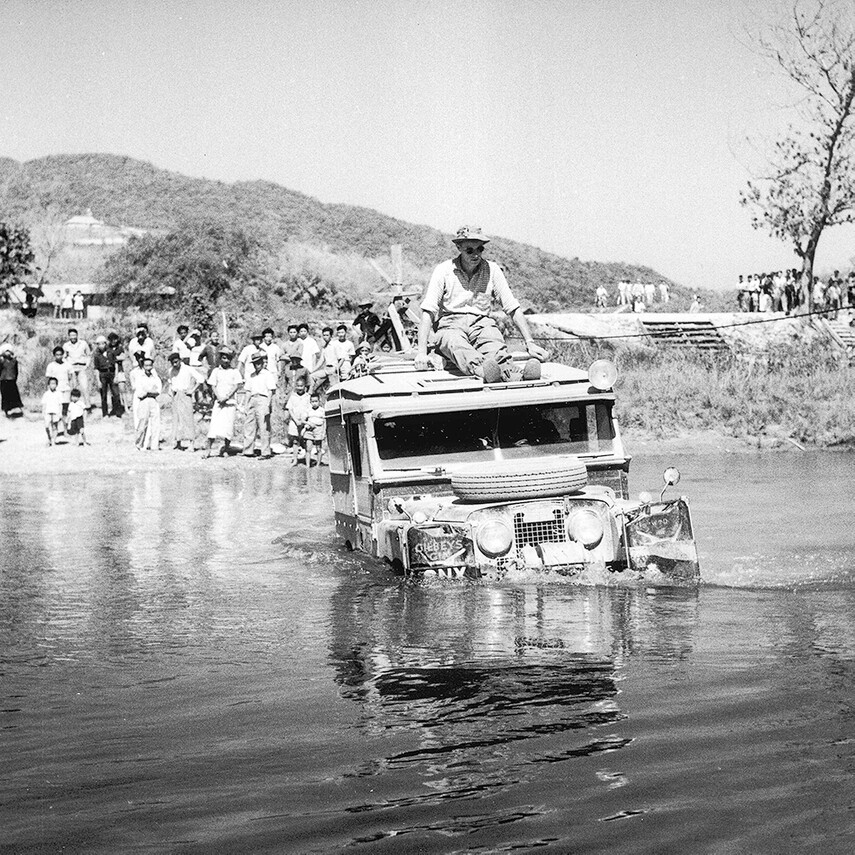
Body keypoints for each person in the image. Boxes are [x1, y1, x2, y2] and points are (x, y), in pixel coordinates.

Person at [414, 226, 547, 383]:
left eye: (480, 249)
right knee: (456, 343)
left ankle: (516, 374)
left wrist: (530, 343)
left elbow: (512, 307)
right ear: (459, 248)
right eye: (469, 250)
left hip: (482, 323)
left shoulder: (492, 270)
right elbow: (428, 311)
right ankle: (483, 370)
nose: (476, 254)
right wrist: (421, 352)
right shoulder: (443, 270)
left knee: (494, 344)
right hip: (450, 324)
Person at [204, 348, 243, 458]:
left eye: (228, 359)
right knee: (214, 427)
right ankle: (208, 450)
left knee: (228, 427)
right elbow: (212, 385)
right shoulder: (216, 371)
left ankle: (226, 449)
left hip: (230, 402)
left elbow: (237, 385)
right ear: (220, 359)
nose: (226, 361)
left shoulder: (234, 371)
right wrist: (219, 397)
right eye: (224, 358)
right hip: (219, 402)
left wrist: (227, 397)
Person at [242, 351, 277, 458]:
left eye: (258, 362)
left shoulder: (267, 374)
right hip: (252, 399)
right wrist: (245, 405)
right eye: (254, 363)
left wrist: (268, 405)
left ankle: (265, 452)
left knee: (264, 427)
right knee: (249, 425)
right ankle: (248, 451)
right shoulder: (251, 375)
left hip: (263, 400)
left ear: (262, 362)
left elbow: (271, 391)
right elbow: (248, 391)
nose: (256, 365)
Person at [167, 352, 203, 450]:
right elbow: (170, 382)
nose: (174, 365)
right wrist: (170, 391)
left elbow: (201, 379)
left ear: (180, 360)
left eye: (176, 362)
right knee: (177, 419)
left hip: (185, 394)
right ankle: (178, 442)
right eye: (172, 363)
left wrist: (192, 390)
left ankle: (191, 443)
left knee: (188, 419)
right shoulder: (171, 371)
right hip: (175, 395)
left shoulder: (188, 369)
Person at [133, 357, 162, 450]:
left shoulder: (155, 377)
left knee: (155, 423)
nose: (148, 368)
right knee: (142, 423)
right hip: (144, 401)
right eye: (146, 366)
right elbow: (140, 393)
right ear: (143, 366)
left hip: (153, 400)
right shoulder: (140, 378)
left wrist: (149, 392)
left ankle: (154, 445)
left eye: (150, 365)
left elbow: (158, 391)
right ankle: (139, 444)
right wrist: (149, 391)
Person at [92, 335, 123, 417]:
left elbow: (116, 363)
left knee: (115, 393)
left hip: (112, 373)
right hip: (103, 374)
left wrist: (116, 376)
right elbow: (96, 368)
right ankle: (105, 413)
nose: (101, 345)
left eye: (103, 343)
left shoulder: (111, 352)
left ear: (105, 343)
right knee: (103, 394)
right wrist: (98, 381)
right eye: (99, 344)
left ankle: (118, 412)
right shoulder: (96, 355)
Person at [45, 346, 73, 432]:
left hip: (66, 390)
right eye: (57, 355)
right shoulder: (51, 366)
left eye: (60, 355)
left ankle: (65, 430)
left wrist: (71, 389)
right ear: (54, 355)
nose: (59, 357)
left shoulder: (67, 365)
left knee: (65, 411)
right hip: (56, 392)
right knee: (56, 412)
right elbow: (48, 380)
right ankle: (55, 431)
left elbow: (71, 378)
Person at [63, 328, 92, 409]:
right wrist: (68, 367)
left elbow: (88, 355)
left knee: (84, 387)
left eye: (74, 335)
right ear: (68, 336)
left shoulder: (83, 343)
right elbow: (64, 357)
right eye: (71, 335)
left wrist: (87, 365)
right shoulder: (66, 345)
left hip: (81, 367)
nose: (73, 337)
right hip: (72, 368)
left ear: (77, 335)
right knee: (73, 387)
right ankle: (73, 406)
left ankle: (88, 406)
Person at [285, 377, 311, 464]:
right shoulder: (293, 397)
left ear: (305, 387)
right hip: (295, 421)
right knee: (295, 441)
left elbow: (310, 409)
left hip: (304, 421)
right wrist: (296, 420)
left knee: (307, 440)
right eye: (298, 386)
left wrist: (304, 419)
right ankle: (295, 459)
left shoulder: (308, 397)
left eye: (301, 386)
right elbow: (290, 409)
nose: (300, 388)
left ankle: (307, 461)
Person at [107, 332, 131, 413]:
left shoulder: (120, 348)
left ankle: (126, 408)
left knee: (122, 389)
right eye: (111, 339)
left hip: (120, 371)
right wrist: (116, 358)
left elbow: (123, 357)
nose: (113, 341)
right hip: (111, 371)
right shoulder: (108, 348)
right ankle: (116, 408)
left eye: (115, 339)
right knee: (113, 391)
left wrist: (114, 358)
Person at [0, 347, 24, 418]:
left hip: (12, 380)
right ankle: (6, 410)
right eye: (6, 351)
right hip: (3, 380)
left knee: (14, 395)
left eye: (9, 351)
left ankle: (16, 409)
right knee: (5, 395)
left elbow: (16, 371)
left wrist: (15, 378)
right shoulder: (1, 361)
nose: (8, 353)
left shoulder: (14, 361)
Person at [305, 392, 326, 465]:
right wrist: (307, 424)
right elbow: (303, 420)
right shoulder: (308, 410)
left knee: (318, 448)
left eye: (316, 401)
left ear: (319, 401)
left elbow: (324, 421)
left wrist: (324, 433)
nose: (314, 403)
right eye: (312, 402)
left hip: (319, 429)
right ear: (310, 402)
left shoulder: (322, 410)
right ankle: (307, 465)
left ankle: (318, 464)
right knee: (308, 448)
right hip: (309, 430)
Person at [42, 376, 63, 446]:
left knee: (55, 427)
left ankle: (53, 440)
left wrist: (60, 413)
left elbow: (60, 404)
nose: (52, 385)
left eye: (54, 383)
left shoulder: (59, 394)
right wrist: (43, 413)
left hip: (56, 412)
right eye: (51, 383)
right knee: (47, 426)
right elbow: (44, 404)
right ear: (48, 385)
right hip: (48, 412)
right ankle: (49, 438)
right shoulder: (46, 394)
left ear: (56, 385)